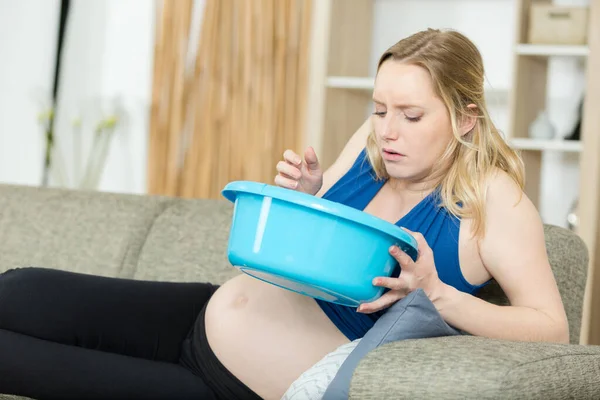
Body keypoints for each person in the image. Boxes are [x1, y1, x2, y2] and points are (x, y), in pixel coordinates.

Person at [0, 28, 568, 400]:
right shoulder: (374, 146)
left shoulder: (494, 201)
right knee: (19, 289)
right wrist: (315, 197)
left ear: (466, 119)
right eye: (380, 109)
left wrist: (440, 294)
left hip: (226, 385)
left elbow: (552, 330)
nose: (388, 130)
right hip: (201, 312)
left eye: (412, 116)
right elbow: (320, 253)